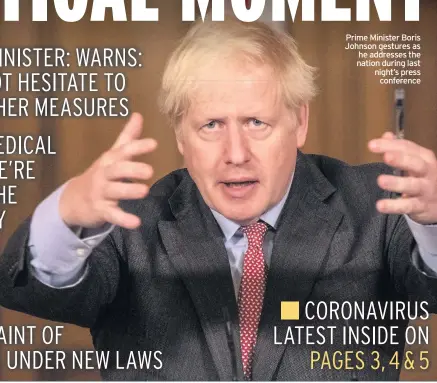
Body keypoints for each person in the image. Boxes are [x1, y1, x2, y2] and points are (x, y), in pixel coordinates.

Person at [1, 17, 437, 381]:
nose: (235, 154)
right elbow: (32, 293)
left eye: (256, 122)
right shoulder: (127, 223)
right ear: (179, 135)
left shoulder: (380, 205)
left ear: (299, 121)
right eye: (211, 124)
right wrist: (65, 217)